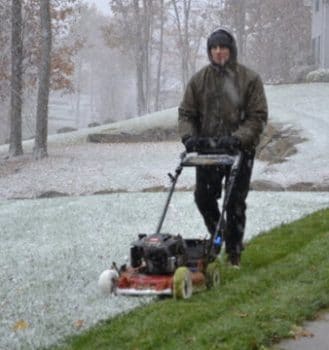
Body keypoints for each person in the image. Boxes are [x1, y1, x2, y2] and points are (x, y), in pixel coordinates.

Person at [178, 28, 268, 268]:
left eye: (223, 47)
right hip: (209, 150)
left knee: (235, 202)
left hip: (240, 150)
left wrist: (238, 138)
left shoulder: (248, 79)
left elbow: (257, 117)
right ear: (209, 51)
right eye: (214, 48)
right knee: (203, 198)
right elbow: (186, 113)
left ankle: (234, 254)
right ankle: (221, 236)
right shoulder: (199, 81)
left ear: (231, 50)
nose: (218, 52)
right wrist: (188, 137)